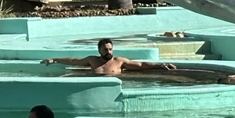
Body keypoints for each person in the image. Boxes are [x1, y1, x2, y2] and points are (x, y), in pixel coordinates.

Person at [43, 38, 177, 76]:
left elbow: (140, 65)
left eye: (110, 49)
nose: (108, 52)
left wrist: (161, 64)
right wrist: (54, 59)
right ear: (99, 50)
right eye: (105, 49)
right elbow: (73, 61)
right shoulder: (92, 60)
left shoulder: (119, 61)